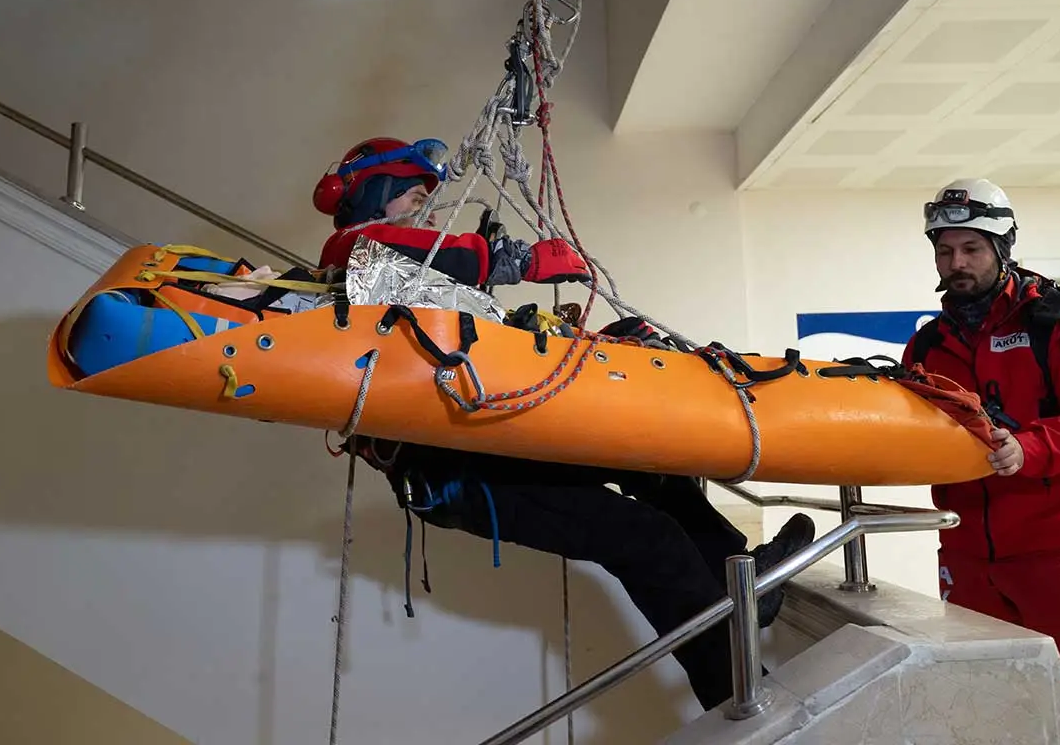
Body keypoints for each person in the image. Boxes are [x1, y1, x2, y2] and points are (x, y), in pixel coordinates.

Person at [311, 135, 818, 711]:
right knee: (645, 539)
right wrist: (518, 260)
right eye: (414, 197)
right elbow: (443, 256)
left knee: (652, 469)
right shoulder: (354, 252)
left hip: (494, 442)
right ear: (375, 194)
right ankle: (740, 697)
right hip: (456, 472)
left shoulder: (417, 281)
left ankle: (742, 579)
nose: (427, 209)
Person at [902, 178, 1060, 745]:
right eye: (945, 249)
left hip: (1054, 549)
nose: (956, 262)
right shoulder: (927, 345)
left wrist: (1027, 448)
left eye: (971, 248)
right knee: (987, 701)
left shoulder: (1058, 326)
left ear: (1002, 247)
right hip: (965, 552)